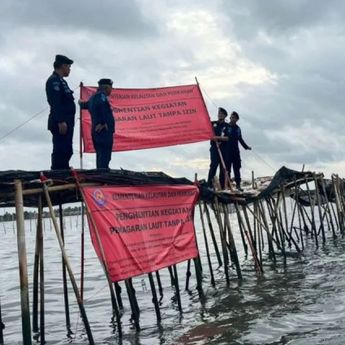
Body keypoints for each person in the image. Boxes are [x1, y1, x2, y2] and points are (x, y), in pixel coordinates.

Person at [46, 54, 76, 170]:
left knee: (67, 149)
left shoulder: (61, 81)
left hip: (67, 121)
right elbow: (56, 102)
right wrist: (60, 120)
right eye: (68, 67)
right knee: (60, 149)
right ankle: (58, 172)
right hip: (61, 121)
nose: (69, 70)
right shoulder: (54, 81)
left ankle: (64, 169)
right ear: (63, 66)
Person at [80, 79, 115, 169]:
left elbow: (85, 105)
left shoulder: (94, 97)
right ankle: (103, 175)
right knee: (104, 155)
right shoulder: (101, 96)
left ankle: (101, 172)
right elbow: (101, 108)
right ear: (106, 87)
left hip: (97, 131)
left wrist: (80, 102)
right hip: (103, 131)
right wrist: (103, 122)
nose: (111, 90)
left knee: (101, 155)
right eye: (111, 88)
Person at [226, 111, 251, 190]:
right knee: (227, 169)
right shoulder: (226, 127)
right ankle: (228, 185)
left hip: (236, 152)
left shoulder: (238, 129)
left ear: (237, 119)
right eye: (231, 117)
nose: (232, 119)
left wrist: (246, 147)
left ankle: (238, 185)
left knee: (237, 168)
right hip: (227, 151)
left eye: (234, 118)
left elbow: (240, 139)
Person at [207, 107, 230, 189]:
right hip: (214, 148)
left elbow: (227, 138)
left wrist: (217, 137)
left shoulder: (227, 126)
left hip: (224, 149)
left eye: (222, 114)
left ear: (225, 116)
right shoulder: (212, 124)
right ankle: (209, 185)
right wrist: (212, 137)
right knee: (213, 166)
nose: (220, 115)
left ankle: (223, 186)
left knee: (223, 167)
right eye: (219, 113)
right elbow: (207, 133)